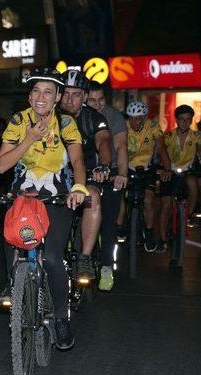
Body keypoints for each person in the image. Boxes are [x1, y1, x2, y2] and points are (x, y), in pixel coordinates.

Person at [0, 67, 88, 350]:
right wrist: (29, 139)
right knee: (13, 242)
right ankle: (14, 282)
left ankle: (61, 318)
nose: (41, 97)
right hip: (24, 195)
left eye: (48, 92)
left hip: (57, 198)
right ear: (29, 95)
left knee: (51, 258)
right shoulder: (18, 121)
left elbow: (78, 162)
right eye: (36, 91)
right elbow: (2, 164)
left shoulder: (66, 123)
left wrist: (79, 188)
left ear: (58, 97)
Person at [60, 70, 111, 283]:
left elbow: (104, 143)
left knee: (93, 197)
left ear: (84, 97)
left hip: (88, 172)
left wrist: (104, 166)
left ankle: (85, 258)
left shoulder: (94, 118)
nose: (69, 100)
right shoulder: (50, 114)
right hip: (57, 174)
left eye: (76, 94)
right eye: (65, 93)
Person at [86, 82, 128, 291]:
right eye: (92, 100)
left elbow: (120, 147)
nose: (97, 104)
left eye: (100, 100)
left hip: (109, 171)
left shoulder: (114, 117)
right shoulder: (80, 115)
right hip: (83, 172)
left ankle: (105, 267)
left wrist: (121, 174)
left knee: (109, 221)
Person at [118, 101, 170, 253]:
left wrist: (167, 169)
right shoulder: (123, 126)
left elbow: (160, 148)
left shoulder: (153, 126)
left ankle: (148, 232)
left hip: (146, 167)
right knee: (119, 194)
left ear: (145, 117)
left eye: (138, 118)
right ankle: (119, 226)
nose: (134, 122)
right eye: (131, 118)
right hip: (126, 166)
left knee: (148, 200)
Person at [158, 105, 201, 250]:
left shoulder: (197, 136)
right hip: (170, 171)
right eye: (181, 119)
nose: (184, 122)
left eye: (188, 119)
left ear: (191, 120)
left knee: (193, 183)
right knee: (166, 204)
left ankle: (188, 215)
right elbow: (161, 153)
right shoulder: (168, 136)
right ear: (176, 120)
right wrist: (163, 169)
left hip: (187, 171)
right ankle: (162, 240)